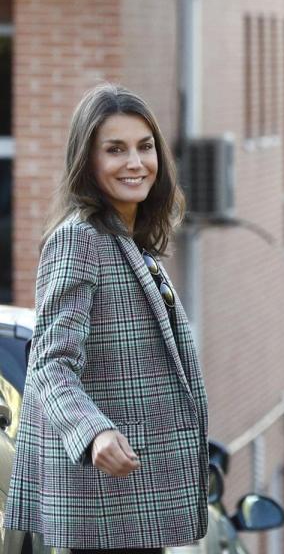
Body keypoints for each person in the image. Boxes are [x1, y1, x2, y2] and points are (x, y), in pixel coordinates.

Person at [3, 83, 209, 551]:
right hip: (104, 505)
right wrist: (92, 432)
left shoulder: (130, 240)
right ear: (87, 161)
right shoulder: (79, 240)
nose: (135, 163)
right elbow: (50, 363)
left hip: (132, 500)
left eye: (145, 147)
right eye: (115, 150)